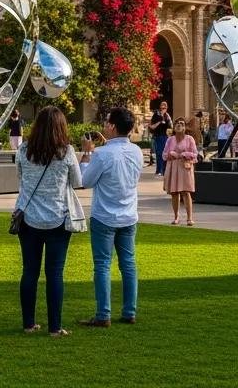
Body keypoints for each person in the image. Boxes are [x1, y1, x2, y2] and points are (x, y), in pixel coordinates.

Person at [13, 106, 82, 336]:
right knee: (55, 273)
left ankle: (28, 323)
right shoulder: (66, 152)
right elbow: (77, 181)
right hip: (58, 217)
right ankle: (55, 327)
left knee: (29, 271)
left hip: (28, 217)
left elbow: (21, 179)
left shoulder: (24, 150)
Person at [78, 107, 143, 328]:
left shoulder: (102, 154)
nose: (104, 125)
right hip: (128, 215)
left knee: (103, 265)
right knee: (128, 264)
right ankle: (129, 311)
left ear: (113, 126)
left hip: (104, 215)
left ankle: (103, 313)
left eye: (107, 122)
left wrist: (87, 154)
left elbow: (85, 181)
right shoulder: (136, 152)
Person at [162, 118, 198, 225]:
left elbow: (195, 154)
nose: (178, 125)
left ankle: (189, 218)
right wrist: (170, 154)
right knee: (174, 193)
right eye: (176, 123)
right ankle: (176, 217)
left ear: (185, 127)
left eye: (181, 123)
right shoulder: (170, 140)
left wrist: (183, 154)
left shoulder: (189, 139)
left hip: (184, 166)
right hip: (173, 167)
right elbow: (164, 155)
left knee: (186, 192)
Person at [149, 101, 172, 176]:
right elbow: (151, 126)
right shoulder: (156, 115)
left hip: (165, 137)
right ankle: (159, 170)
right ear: (160, 107)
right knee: (159, 153)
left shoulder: (167, 116)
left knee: (165, 153)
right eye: (162, 107)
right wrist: (159, 121)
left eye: (165, 107)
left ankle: (164, 170)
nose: (163, 109)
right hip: (158, 136)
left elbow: (170, 126)